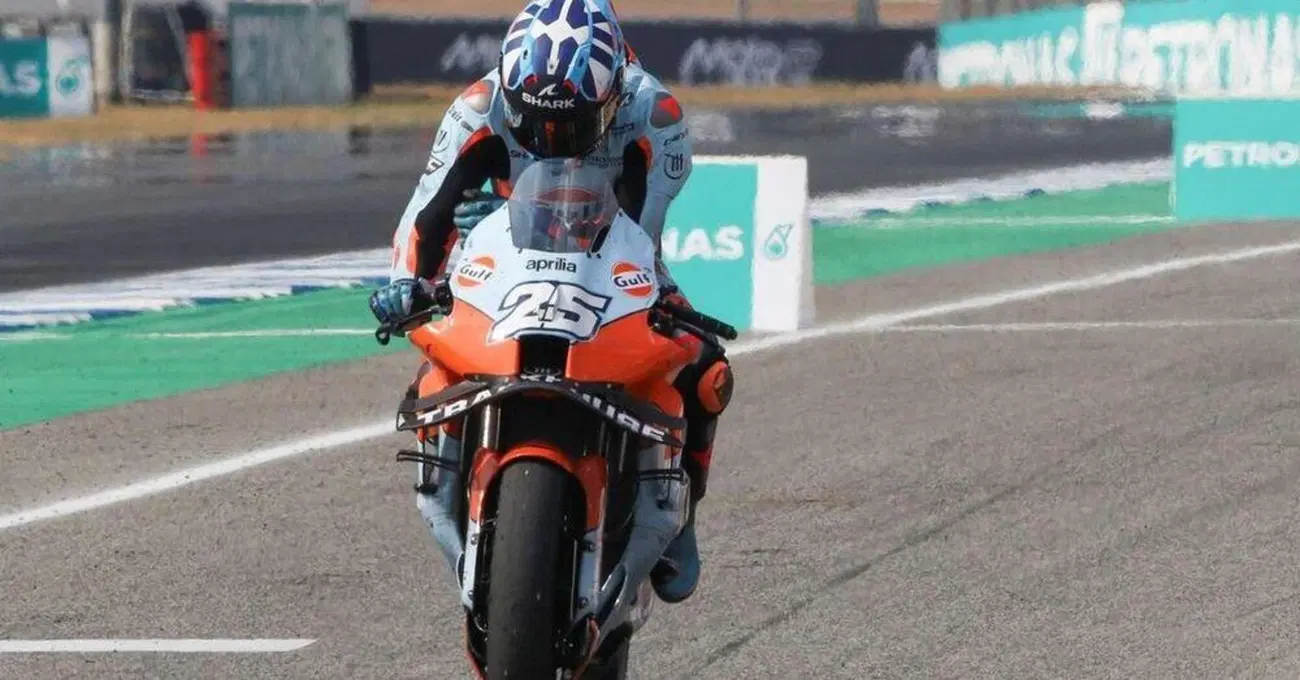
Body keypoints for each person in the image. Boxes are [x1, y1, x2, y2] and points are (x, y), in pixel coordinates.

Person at [367, 0, 733, 605]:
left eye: (571, 125)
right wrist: (408, 283)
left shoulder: (655, 114)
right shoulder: (476, 108)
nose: (551, 139)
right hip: (504, 250)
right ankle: (448, 476)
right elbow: (426, 216)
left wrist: (652, 298)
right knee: (438, 352)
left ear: (612, 96)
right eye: (534, 122)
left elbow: (644, 233)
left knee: (704, 366)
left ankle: (681, 515)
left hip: (613, 251)